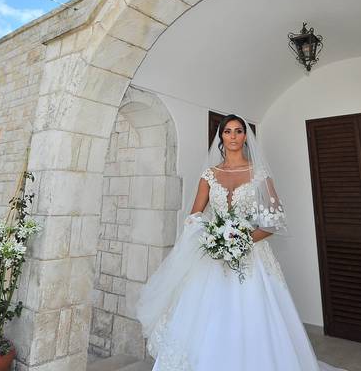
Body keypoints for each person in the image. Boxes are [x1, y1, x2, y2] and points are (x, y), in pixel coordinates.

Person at [136, 114, 343, 371]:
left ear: (245, 137)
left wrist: (241, 239)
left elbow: (273, 222)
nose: (233, 136)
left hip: (253, 256)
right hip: (213, 259)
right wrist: (214, 238)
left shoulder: (259, 175)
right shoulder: (209, 175)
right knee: (208, 318)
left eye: (238, 131)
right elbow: (195, 217)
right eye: (228, 132)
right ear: (221, 137)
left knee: (254, 317)